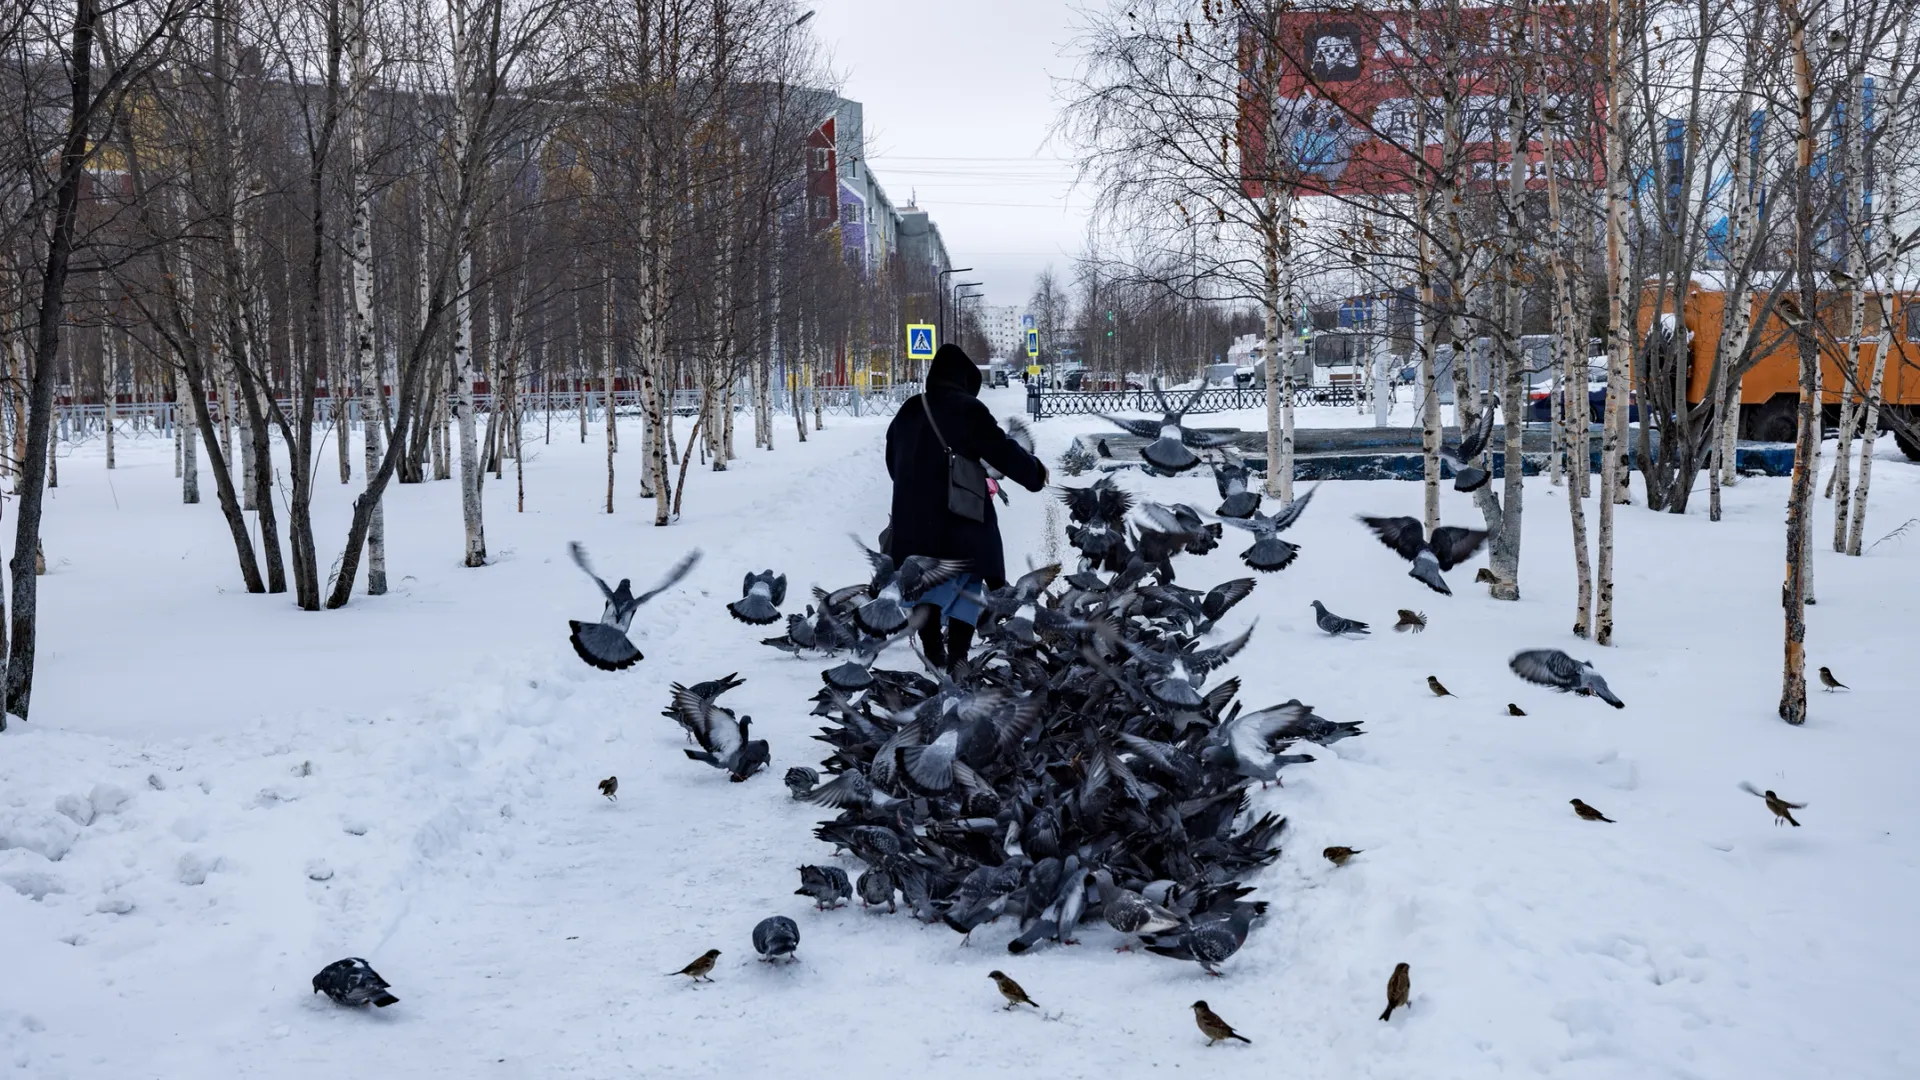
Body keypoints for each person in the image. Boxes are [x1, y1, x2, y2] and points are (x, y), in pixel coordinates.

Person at [885, 343, 1047, 672]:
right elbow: (1000, 450)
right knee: (967, 583)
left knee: (926, 584)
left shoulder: (909, 409)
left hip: (911, 519)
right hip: (960, 516)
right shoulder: (967, 409)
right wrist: (1034, 473)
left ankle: (933, 651)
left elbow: (892, 461)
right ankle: (958, 657)